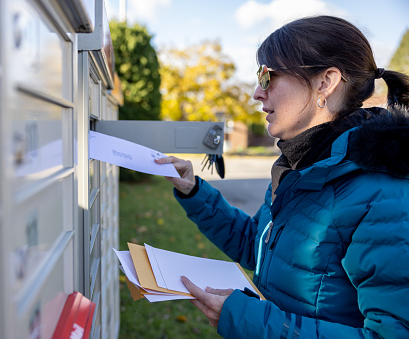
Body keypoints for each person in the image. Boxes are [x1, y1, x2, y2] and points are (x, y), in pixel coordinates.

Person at [155, 15, 409, 338]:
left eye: (266, 76)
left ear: (325, 82)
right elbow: (256, 244)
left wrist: (251, 320)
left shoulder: (384, 194)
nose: (257, 94)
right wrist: (193, 191)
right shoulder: (298, 166)